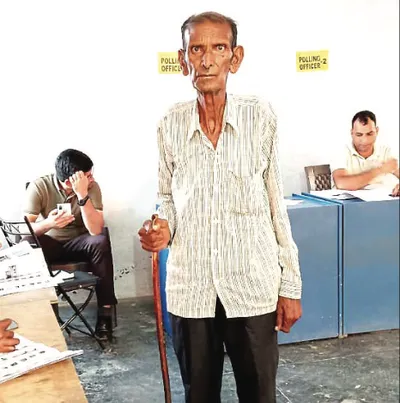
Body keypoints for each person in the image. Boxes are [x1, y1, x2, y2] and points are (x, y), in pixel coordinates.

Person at [138, 12, 302, 403]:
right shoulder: (169, 124)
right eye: (197, 49)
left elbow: (275, 203)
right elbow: (168, 199)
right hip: (190, 290)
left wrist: (290, 284)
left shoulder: (259, 116)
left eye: (218, 48)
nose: (207, 60)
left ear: (236, 57)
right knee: (199, 395)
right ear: (183, 60)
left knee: (259, 394)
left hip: (251, 284)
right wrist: (162, 228)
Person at [24, 149, 117, 340]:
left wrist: (82, 196)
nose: (92, 179)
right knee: (27, 243)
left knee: (101, 240)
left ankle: (105, 315)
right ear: (69, 180)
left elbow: (95, 230)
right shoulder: (40, 186)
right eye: (88, 176)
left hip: (81, 242)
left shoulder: (91, 188)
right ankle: (45, 313)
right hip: (52, 243)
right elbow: (24, 228)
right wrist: (49, 224)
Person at [331, 110, 400, 196]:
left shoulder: (386, 151)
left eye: (370, 134)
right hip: (349, 206)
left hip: (382, 202)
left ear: (377, 131)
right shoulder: (341, 152)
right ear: (352, 133)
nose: (365, 141)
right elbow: (342, 183)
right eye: (359, 135)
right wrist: (380, 170)